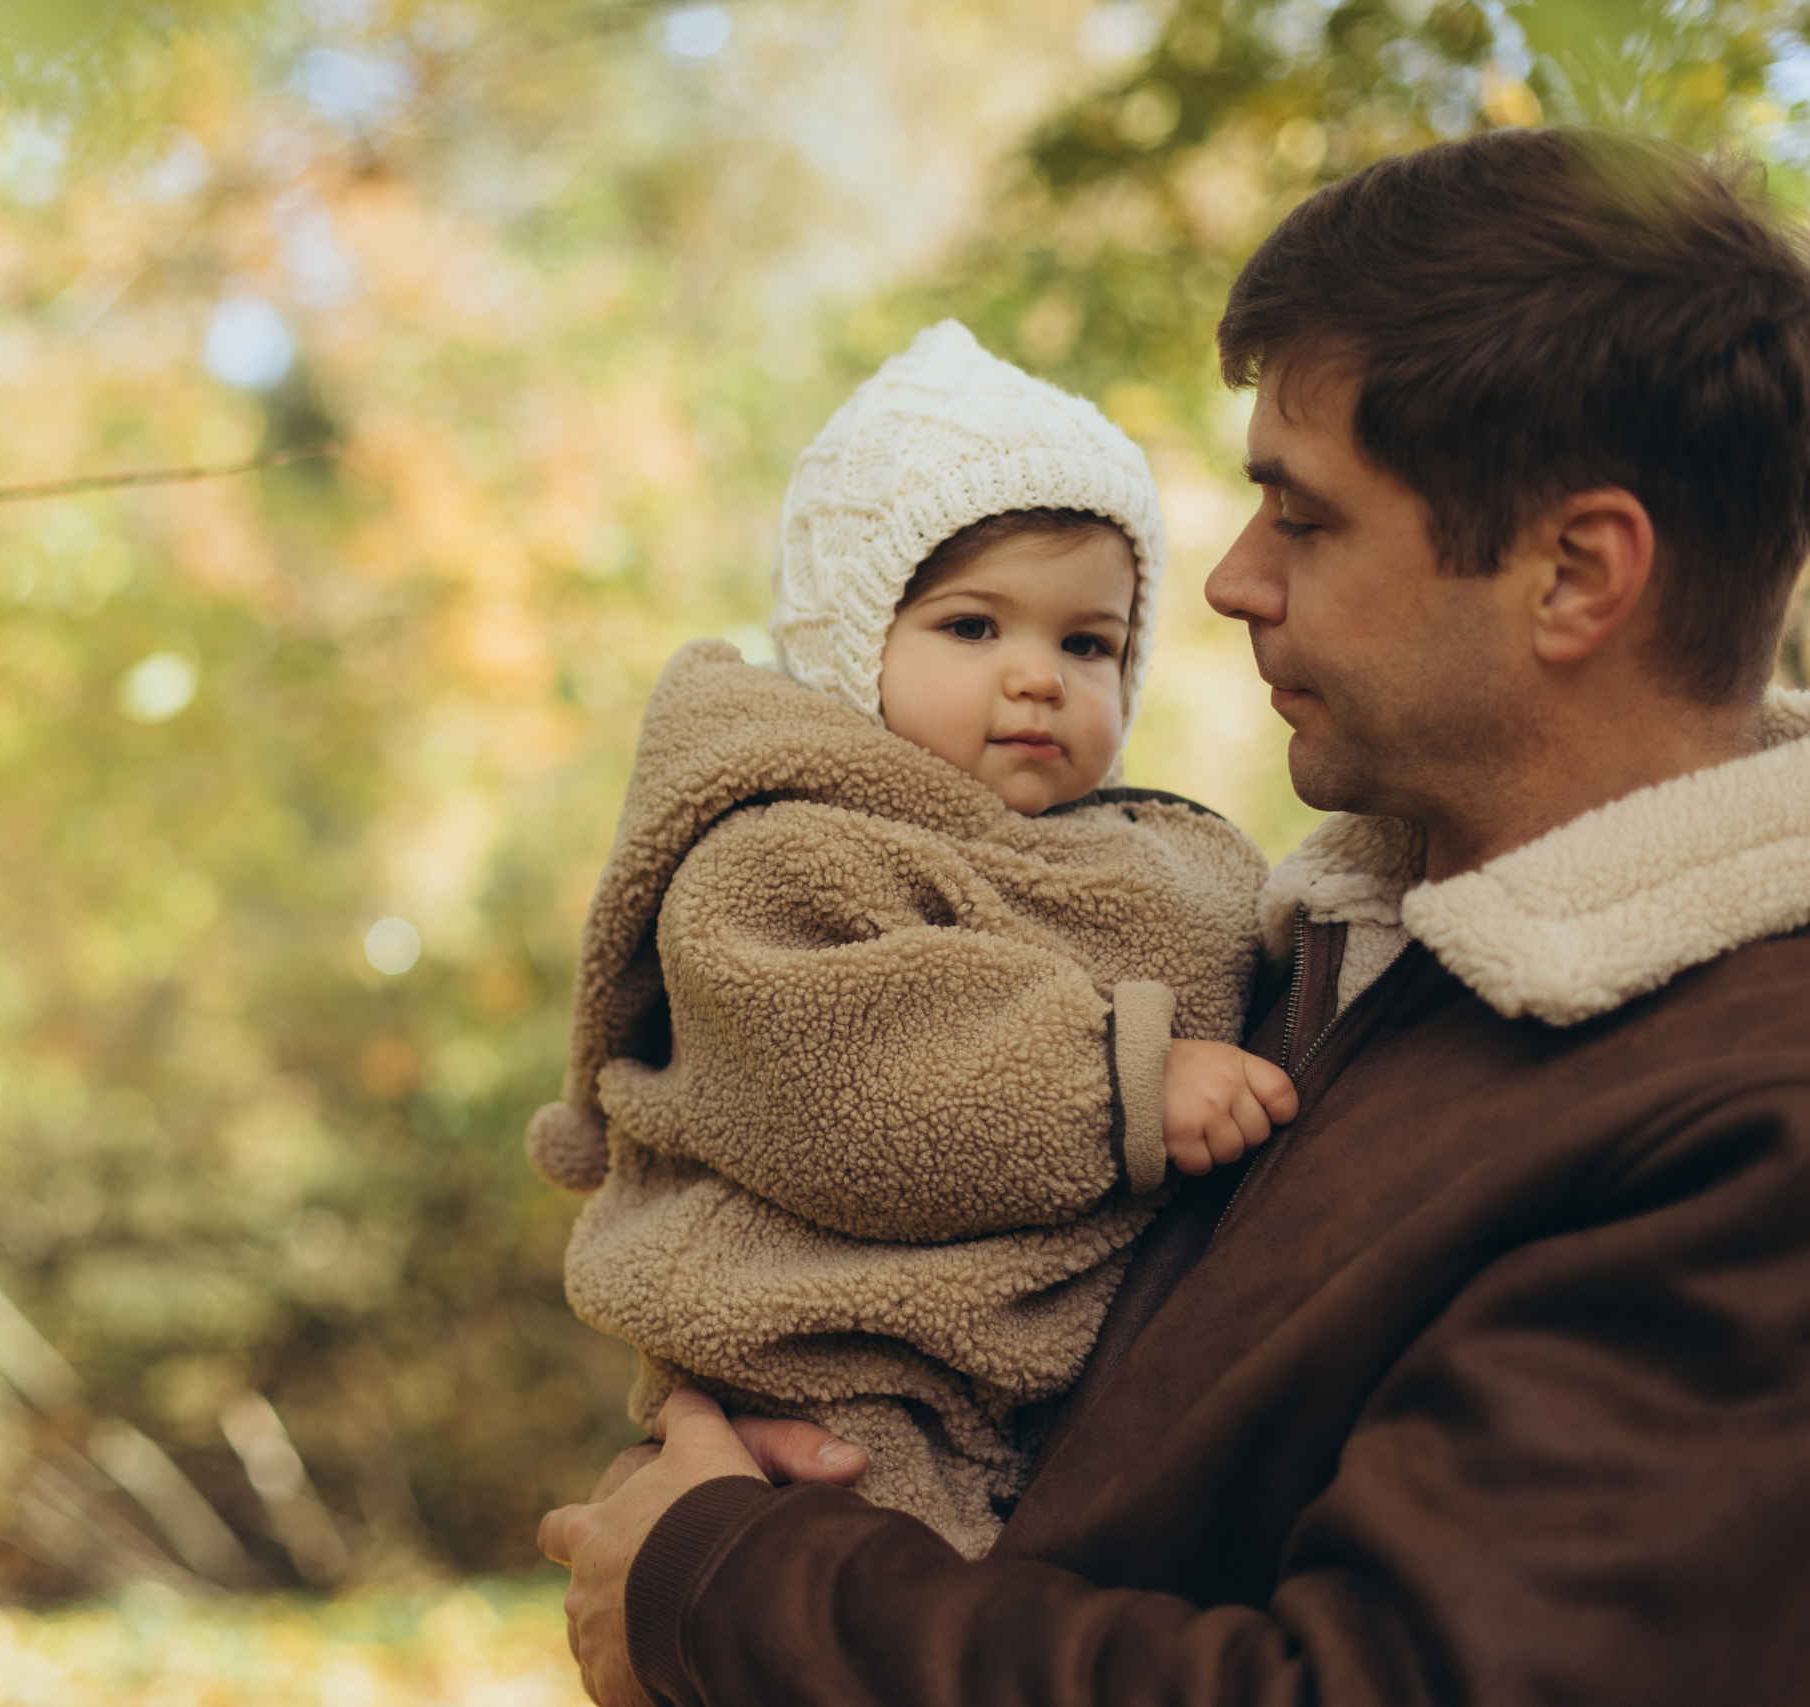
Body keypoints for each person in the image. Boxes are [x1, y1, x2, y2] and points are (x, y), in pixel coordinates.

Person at [538, 125, 1810, 1706]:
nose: (1226, 579)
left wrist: (728, 1582)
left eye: (1307, 513)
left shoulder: (1756, 1126)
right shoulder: (1349, 960)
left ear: (1575, 574)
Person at [526, 322, 1294, 1554]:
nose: (1037, 676)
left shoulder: (1149, 855)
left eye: (1084, 642)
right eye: (973, 628)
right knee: (870, 1623)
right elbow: (852, 1076)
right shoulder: (782, 856)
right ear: (853, 640)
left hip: (1041, 1390)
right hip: (834, 1378)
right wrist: (1121, 1079)